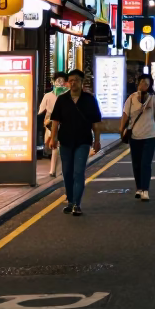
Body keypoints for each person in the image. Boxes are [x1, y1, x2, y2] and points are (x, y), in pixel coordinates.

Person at [49, 69, 102, 215]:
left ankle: (77, 204)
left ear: (82, 82)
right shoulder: (62, 99)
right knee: (67, 172)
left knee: (78, 172)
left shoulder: (89, 99)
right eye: (71, 80)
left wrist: (97, 140)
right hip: (65, 140)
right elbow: (55, 121)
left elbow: (96, 123)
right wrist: (53, 138)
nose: (73, 83)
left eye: (76, 80)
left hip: (83, 140)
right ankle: (70, 201)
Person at [119, 74, 155, 201]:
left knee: (145, 163)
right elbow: (125, 115)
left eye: (147, 83)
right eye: (142, 82)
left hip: (150, 135)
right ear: (138, 84)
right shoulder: (131, 99)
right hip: (134, 136)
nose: (144, 85)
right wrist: (121, 129)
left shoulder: (153, 99)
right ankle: (139, 188)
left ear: (149, 86)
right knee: (136, 164)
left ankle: (145, 190)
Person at [38, 72, 68, 176]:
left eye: (62, 81)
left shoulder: (68, 96)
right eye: (58, 80)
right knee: (53, 146)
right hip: (50, 124)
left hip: (64, 124)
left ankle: (54, 170)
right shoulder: (48, 96)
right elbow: (40, 111)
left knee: (57, 146)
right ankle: (56, 170)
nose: (60, 83)